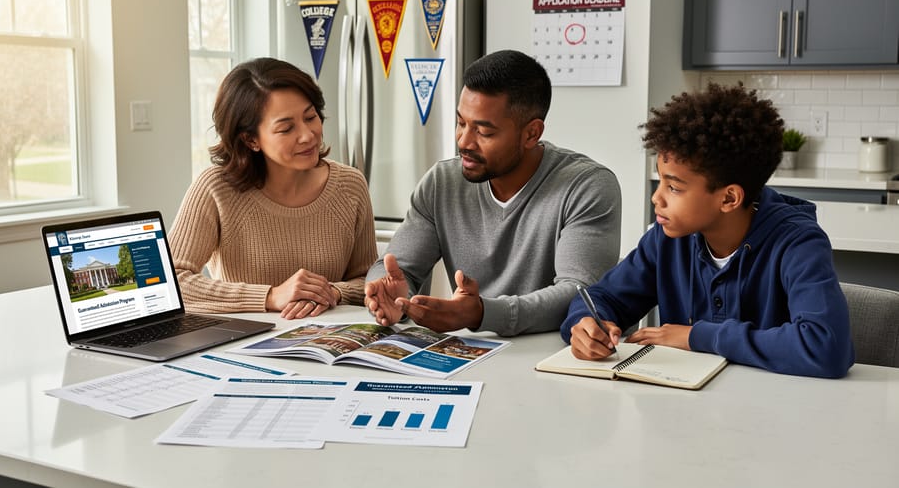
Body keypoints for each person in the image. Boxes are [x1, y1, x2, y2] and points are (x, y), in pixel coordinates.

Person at [562, 82, 854, 378]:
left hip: (773, 412)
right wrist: (587, 323)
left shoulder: (797, 243)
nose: (656, 197)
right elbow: (602, 298)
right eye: (660, 180)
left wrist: (695, 337)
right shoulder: (666, 239)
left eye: (673, 187)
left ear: (728, 198)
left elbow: (826, 347)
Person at [364, 49, 622, 337]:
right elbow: (397, 269)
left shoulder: (587, 186)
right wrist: (390, 295)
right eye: (461, 123)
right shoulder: (441, 182)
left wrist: (484, 313)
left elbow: (579, 292)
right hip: (475, 359)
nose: (464, 141)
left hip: (558, 359)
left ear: (531, 134)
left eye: (484, 132)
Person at [170, 57, 377, 319]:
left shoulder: (350, 185)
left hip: (325, 345)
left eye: (310, 116)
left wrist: (332, 292)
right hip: (240, 348)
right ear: (251, 139)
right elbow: (171, 282)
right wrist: (270, 296)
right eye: (286, 128)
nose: (308, 135)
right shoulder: (215, 188)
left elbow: (370, 281)